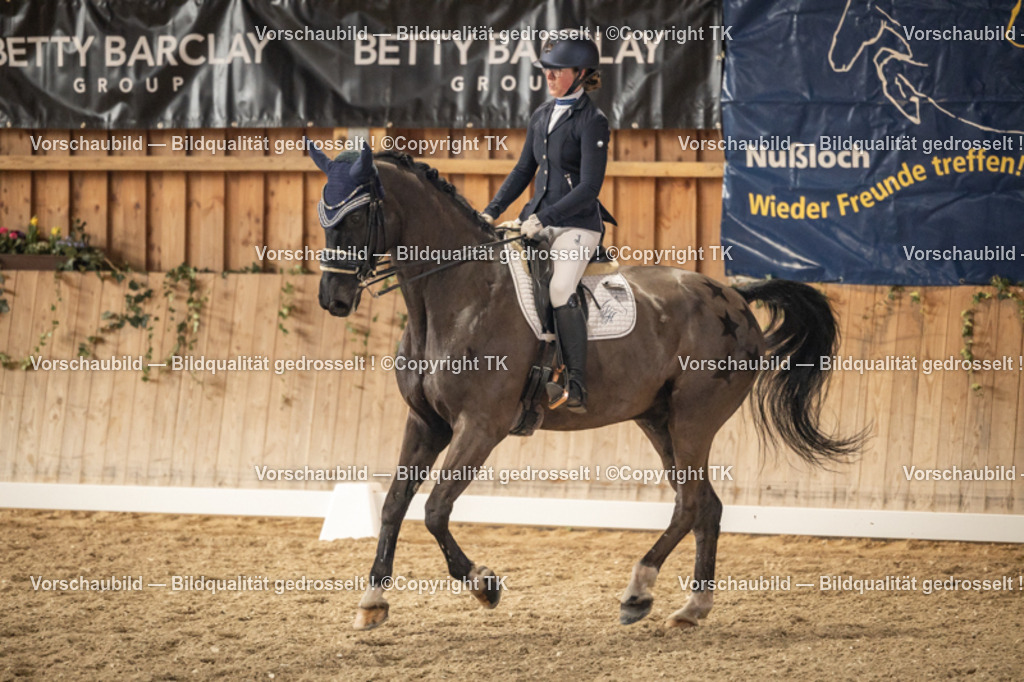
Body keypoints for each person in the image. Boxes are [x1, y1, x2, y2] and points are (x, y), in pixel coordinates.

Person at [480, 37, 614, 414]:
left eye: (558, 71)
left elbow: (589, 188)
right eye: (547, 70)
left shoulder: (593, 122)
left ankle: (576, 382)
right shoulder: (542, 114)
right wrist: (491, 211)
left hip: (576, 225)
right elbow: (524, 169)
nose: (550, 76)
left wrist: (544, 218)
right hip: (536, 219)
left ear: (581, 75)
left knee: (558, 289)